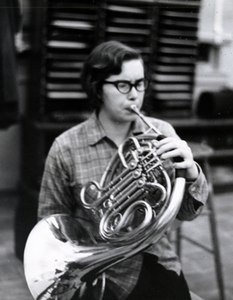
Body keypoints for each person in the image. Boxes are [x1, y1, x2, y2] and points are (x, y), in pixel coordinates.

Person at [38, 40, 209, 300]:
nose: (134, 94)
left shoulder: (162, 134)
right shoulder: (65, 147)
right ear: (97, 88)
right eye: (123, 85)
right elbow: (50, 227)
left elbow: (187, 214)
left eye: (140, 83)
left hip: (154, 260)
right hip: (94, 274)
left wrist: (191, 173)